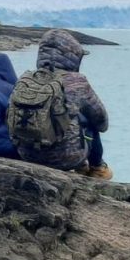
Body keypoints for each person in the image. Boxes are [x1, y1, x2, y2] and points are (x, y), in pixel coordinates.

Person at [17, 29, 112, 179]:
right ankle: (97, 169)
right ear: (73, 56)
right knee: (90, 124)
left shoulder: (26, 79)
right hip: (65, 159)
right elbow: (101, 122)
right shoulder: (77, 82)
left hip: (26, 155)